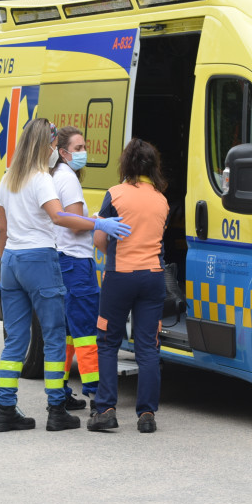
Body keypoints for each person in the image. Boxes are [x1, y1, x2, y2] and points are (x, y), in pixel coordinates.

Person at [0, 118, 130, 433]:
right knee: (55, 337)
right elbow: (59, 216)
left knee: (15, 341)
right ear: (46, 145)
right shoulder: (41, 178)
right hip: (39, 259)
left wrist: (6, 265)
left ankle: (4, 409)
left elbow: (2, 228)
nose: (55, 150)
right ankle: (56, 409)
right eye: (54, 145)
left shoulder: (7, 179)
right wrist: (99, 224)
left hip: (11, 260)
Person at [88, 138, 170, 434]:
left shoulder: (116, 194)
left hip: (120, 277)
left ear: (127, 164)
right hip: (152, 278)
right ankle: (147, 414)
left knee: (108, 341)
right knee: (148, 346)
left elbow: (100, 239)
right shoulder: (161, 199)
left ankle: (106, 409)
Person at [50, 125, 100, 413]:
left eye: (83, 147)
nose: (83, 152)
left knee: (67, 332)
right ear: (63, 152)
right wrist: (97, 221)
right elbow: (75, 221)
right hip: (76, 261)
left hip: (61, 259)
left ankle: (61, 391)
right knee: (86, 330)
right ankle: (96, 394)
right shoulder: (68, 179)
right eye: (78, 148)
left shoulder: (55, 176)